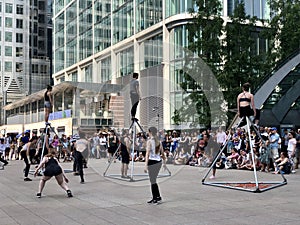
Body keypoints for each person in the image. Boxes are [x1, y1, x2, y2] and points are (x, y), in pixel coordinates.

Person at [144, 126, 166, 205]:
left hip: (152, 162)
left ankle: (155, 197)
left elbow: (147, 153)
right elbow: (162, 153)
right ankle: (157, 196)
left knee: (152, 181)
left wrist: (145, 165)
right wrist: (164, 164)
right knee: (154, 180)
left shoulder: (150, 141)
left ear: (150, 132)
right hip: (158, 162)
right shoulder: (158, 141)